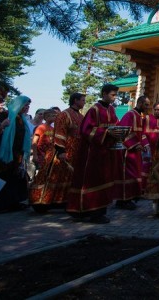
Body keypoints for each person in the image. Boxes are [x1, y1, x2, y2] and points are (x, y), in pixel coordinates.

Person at [66, 84, 123, 224]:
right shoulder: (94, 110)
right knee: (93, 181)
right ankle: (93, 212)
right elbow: (86, 130)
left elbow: (116, 125)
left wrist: (119, 132)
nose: (114, 98)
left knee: (105, 180)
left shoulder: (111, 110)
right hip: (93, 153)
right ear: (104, 93)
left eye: (115, 95)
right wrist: (106, 132)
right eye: (112, 95)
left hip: (106, 152)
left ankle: (100, 210)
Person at [29, 94, 86, 213]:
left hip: (74, 152)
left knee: (68, 177)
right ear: (75, 101)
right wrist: (61, 151)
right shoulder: (64, 114)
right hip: (60, 151)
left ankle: (63, 201)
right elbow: (59, 132)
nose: (84, 102)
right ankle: (41, 203)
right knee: (52, 176)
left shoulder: (81, 116)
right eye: (82, 100)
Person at [0, 95, 33, 214]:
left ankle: (12, 203)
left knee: (14, 179)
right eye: (25, 105)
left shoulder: (22, 119)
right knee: (1, 178)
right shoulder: (5, 115)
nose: (27, 107)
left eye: (28, 105)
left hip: (17, 154)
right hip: (3, 153)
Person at [115, 96, 152, 210]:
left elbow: (141, 134)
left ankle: (129, 198)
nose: (148, 107)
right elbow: (122, 130)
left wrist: (145, 144)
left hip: (136, 152)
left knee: (135, 174)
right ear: (140, 103)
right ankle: (123, 200)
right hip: (128, 152)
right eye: (146, 105)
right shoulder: (130, 114)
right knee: (128, 175)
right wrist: (135, 144)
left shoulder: (139, 117)